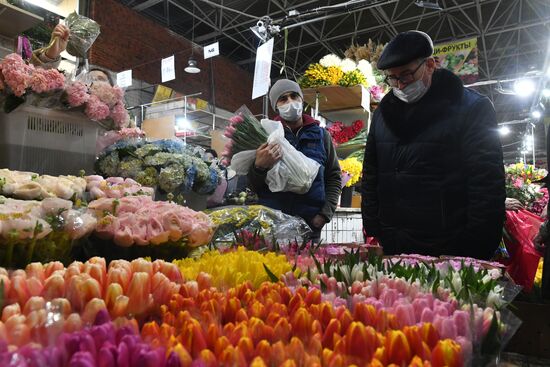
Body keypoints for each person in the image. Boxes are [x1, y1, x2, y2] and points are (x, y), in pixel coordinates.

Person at [361, 30, 505, 260]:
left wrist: (477, 247)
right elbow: (371, 175)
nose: (400, 85)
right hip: (394, 245)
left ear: (429, 65)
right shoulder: (382, 115)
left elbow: (486, 183)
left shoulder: (471, 109)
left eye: (406, 75)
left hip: (449, 249)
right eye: (393, 78)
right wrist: (373, 228)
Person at [248, 79, 342, 242]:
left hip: (310, 225)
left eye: (294, 96)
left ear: (301, 99)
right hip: (273, 225)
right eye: (283, 99)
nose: (290, 102)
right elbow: (251, 184)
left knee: (309, 267)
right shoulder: (265, 136)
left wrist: (323, 215)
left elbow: (333, 177)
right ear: (275, 106)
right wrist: (259, 167)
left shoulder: (322, 136)